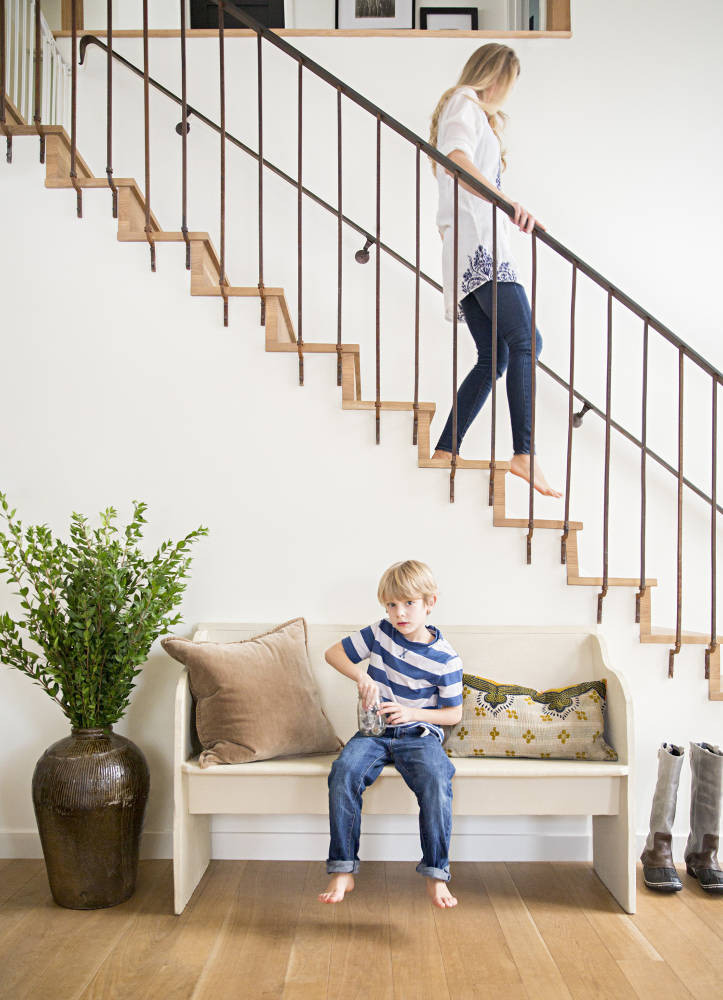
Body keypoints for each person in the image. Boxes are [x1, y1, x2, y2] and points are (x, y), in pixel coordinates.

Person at [430, 43, 561, 498]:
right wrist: (508, 205)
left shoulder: (465, 109)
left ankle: (447, 447)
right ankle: (524, 453)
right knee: (527, 341)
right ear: (498, 75)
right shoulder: (464, 102)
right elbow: (459, 161)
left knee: (496, 357)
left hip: (470, 253)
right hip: (482, 250)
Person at [318, 559, 464, 909]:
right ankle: (343, 868)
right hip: (374, 731)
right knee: (344, 772)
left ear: (430, 603)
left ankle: (436, 873)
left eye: (409, 603)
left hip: (419, 735)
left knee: (436, 779)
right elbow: (332, 653)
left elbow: (454, 713)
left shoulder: (446, 659)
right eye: (392, 604)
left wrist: (412, 712)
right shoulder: (380, 632)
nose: (400, 613)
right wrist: (362, 677)